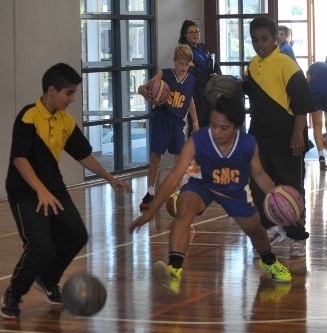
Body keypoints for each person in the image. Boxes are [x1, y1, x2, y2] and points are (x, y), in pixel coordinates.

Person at [1, 63, 131, 320]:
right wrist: (40, 191)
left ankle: (48, 281)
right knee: (41, 247)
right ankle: (14, 294)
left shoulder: (65, 121)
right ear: (51, 91)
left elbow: (83, 155)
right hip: (25, 191)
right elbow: (19, 159)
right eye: (68, 93)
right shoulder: (29, 117)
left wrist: (110, 178)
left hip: (54, 187)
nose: (72, 98)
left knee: (76, 235)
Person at [129, 96, 292, 295]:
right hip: (202, 184)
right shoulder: (198, 140)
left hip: (234, 190)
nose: (216, 131)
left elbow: (259, 174)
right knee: (185, 208)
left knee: (256, 230)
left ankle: (269, 261)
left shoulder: (248, 144)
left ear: (236, 127)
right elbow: (173, 177)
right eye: (213, 125)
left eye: (223, 128)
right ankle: (174, 270)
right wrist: (151, 211)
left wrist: (280, 198)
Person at [243, 16, 314, 257]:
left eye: (264, 39)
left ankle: (296, 235)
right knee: (260, 187)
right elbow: (249, 93)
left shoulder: (287, 63)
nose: (259, 44)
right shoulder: (253, 65)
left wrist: (297, 135)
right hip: (260, 138)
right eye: (254, 40)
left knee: (291, 187)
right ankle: (272, 227)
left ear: (275, 38)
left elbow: (303, 103)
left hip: (288, 139)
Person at [137, 45, 198, 211]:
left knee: (181, 158)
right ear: (175, 61)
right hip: (162, 118)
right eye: (180, 63)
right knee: (156, 155)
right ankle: (150, 191)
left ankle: (180, 191)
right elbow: (143, 87)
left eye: (186, 64)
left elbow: (190, 101)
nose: (183, 67)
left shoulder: (191, 80)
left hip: (179, 123)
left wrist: (195, 122)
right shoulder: (164, 74)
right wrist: (143, 91)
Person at [179, 20, 222, 132]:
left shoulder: (202, 48)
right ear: (185, 34)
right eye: (191, 32)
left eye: (197, 32)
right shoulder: (185, 50)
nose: (195, 35)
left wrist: (217, 74)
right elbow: (192, 74)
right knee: (196, 127)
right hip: (196, 95)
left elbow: (214, 63)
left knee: (210, 127)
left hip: (209, 93)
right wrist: (210, 79)